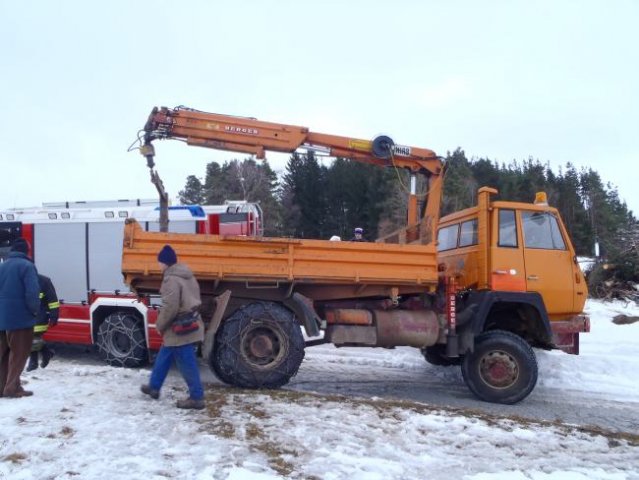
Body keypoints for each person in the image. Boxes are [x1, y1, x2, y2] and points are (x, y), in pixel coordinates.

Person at [141, 245, 206, 410]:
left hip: (180, 328)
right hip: (190, 322)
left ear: (165, 263)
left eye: (160, 262)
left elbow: (170, 307)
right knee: (165, 354)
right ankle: (154, 387)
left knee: (187, 362)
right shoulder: (187, 275)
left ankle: (197, 398)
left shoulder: (170, 279)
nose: (159, 265)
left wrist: (160, 325)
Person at [0, 238, 40, 398]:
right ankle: (12, 388)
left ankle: (3, 386)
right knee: (19, 354)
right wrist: (34, 311)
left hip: (2, 319)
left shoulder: (2, 266)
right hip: (20, 319)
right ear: (26, 251)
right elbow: (32, 293)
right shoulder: (27, 266)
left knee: (3, 355)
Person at [26, 274, 59, 372]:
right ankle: (46, 353)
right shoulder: (22, 279)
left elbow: (53, 300)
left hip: (40, 316)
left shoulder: (44, 281)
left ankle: (34, 362)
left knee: (32, 337)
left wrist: (54, 316)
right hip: (28, 315)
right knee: (30, 338)